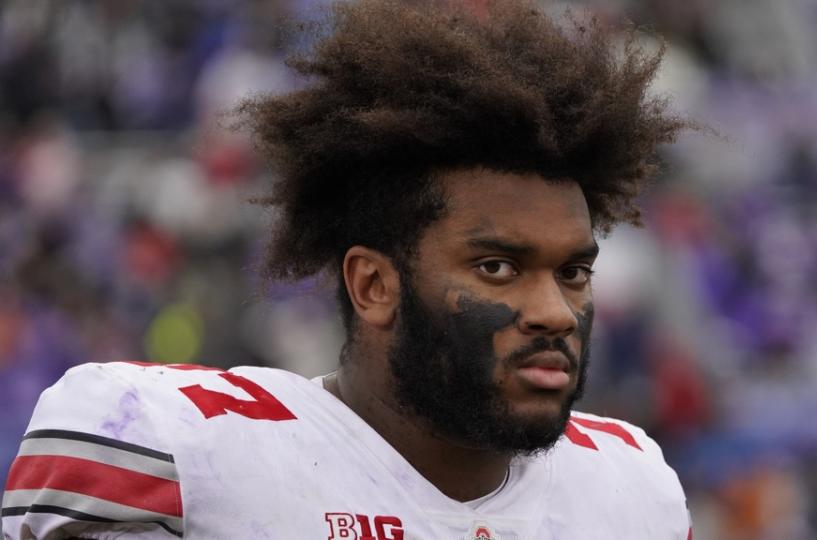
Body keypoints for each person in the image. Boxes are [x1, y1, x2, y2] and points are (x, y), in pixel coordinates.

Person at [2, 0, 691, 538]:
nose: (554, 310)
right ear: (373, 285)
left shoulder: (632, 490)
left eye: (573, 273)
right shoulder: (168, 453)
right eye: (497, 267)